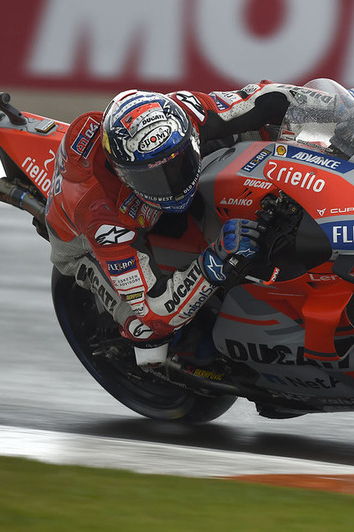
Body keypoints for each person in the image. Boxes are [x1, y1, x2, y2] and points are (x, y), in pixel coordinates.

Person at [45, 81, 311, 367]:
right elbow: (155, 310)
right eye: (152, 178)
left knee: (260, 132)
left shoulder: (183, 112)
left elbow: (261, 98)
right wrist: (214, 261)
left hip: (146, 203)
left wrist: (325, 109)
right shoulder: (101, 215)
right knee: (145, 327)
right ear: (121, 174)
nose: (172, 183)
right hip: (83, 240)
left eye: (178, 163)